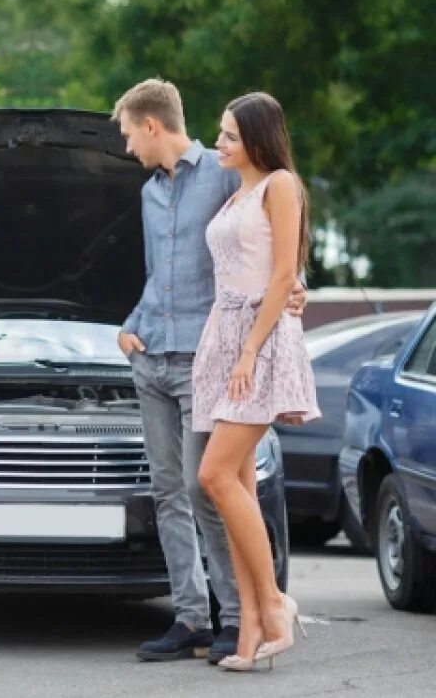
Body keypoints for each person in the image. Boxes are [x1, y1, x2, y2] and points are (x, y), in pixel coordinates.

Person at [112, 79, 305, 665]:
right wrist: (129, 323)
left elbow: (275, 244)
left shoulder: (227, 170)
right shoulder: (147, 194)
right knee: (168, 490)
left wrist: (296, 290)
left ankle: (239, 612)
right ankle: (192, 618)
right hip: (152, 356)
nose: (126, 149)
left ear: (151, 126)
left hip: (210, 359)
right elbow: (156, 275)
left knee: (208, 488)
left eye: (127, 135)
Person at [194, 92, 320, 671]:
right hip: (225, 338)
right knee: (235, 483)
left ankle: (274, 603)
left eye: (229, 137)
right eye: (219, 134)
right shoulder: (235, 193)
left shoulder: (280, 186)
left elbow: (285, 274)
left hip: (259, 343)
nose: (219, 144)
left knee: (214, 476)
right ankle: (248, 633)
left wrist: (248, 350)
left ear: (257, 141)